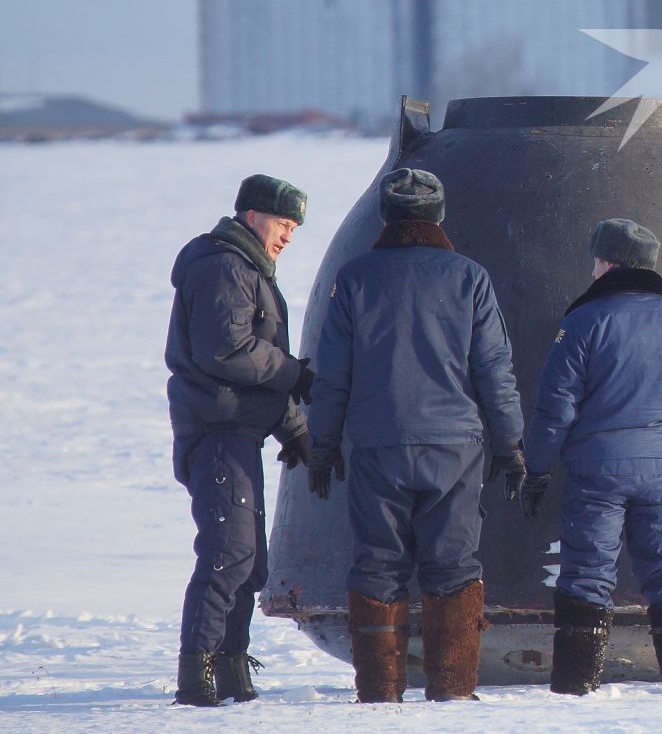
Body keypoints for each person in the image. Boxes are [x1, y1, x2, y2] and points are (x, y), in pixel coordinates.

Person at [306, 168, 525, 702]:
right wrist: (510, 444)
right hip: (454, 449)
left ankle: (379, 695)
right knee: (452, 568)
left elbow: (332, 373)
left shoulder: (355, 279)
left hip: (377, 444)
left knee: (378, 566)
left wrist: (323, 443)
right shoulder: (469, 277)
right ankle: (452, 693)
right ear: (439, 215)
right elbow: (493, 368)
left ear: (386, 215)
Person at [520, 219, 662, 696]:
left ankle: (575, 685)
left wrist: (537, 468)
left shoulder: (583, 322)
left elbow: (555, 407)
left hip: (598, 471)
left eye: (596, 260)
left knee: (588, 573)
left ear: (609, 262)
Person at [164, 174, 315, 706]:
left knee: (249, 563)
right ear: (252, 217)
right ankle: (196, 673)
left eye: (294, 227)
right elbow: (227, 352)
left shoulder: (249, 270)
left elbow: (250, 367)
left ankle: (231, 668)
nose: (289, 236)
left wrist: (294, 429)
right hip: (217, 433)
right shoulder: (225, 266)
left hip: (238, 432)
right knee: (227, 554)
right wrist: (295, 374)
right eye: (283, 223)